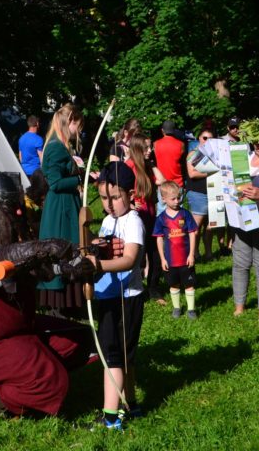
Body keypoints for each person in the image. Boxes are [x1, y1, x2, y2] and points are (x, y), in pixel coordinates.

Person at [0, 171, 97, 417]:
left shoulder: (4, 234)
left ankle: (22, 377)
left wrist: (67, 267)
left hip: (17, 330)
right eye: (9, 206)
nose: (18, 211)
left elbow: (31, 269)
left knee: (81, 340)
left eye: (17, 204)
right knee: (52, 382)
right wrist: (44, 248)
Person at [86, 162, 146, 430]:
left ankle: (111, 418)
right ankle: (131, 405)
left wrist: (98, 265)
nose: (109, 204)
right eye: (103, 198)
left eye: (115, 197)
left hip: (127, 297)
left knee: (114, 356)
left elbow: (130, 259)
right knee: (122, 355)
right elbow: (107, 249)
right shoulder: (108, 221)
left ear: (130, 195)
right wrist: (96, 246)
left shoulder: (133, 221)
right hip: (109, 294)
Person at [38, 103, 85, 313]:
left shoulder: (61, 145)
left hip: (65, 205)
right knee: (61, 251)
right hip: (60, 208)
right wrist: (79, 178)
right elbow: (55, 183)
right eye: (78, 126)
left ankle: (70, 305)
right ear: (70, 121)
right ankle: (58, 306)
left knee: (70, 250)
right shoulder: (56, 146)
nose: (79, 131)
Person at [231, 139, 259, 321]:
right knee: (240, 263)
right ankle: (239, 306)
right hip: (240, 218)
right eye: (254, 142)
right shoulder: (243, 158)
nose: (257, 146)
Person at [126, 134, 166, 304]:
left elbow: (162, 180)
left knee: (155, 254)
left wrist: (151, 164)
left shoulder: (146, 166)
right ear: (137, 148)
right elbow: (120, 189)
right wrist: (129, 204)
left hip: (150, 216)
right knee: (137, 256)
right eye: (146, 147)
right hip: (137, 218)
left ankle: (153, 289)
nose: (150, 150)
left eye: (150, 147)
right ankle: (135, 289)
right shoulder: (129, 166)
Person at [154, 181, 198, 319]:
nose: (177, 201)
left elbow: (192, 233)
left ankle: (191, 310)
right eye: (173, 199)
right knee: (174, 285)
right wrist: (162, 259)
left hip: (186, 259)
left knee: (189, 285)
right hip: (170, 260)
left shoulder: (185, 214)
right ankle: (177, 308)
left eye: (178, 198)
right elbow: (159, 238)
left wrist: (191, 254)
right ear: (163, 199)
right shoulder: (161, 219)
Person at [186, 129, 215, 261]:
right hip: (198, 193)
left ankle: (209, 253)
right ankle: (194, 253)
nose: (207, 141)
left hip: (213, 193)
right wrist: (211, 172)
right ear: (199, 138)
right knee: (196, 227)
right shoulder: (194, 153)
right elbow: (192, 173)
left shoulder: (215, 155)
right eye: (205, 138)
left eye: (210, 139)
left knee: (211, 226)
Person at [154, 120, 185, 193]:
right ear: (174, 130)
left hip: (162, 182)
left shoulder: (155, 144)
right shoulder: (181, 144)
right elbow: (183, 162)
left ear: (162, 130)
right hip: (177, 183)